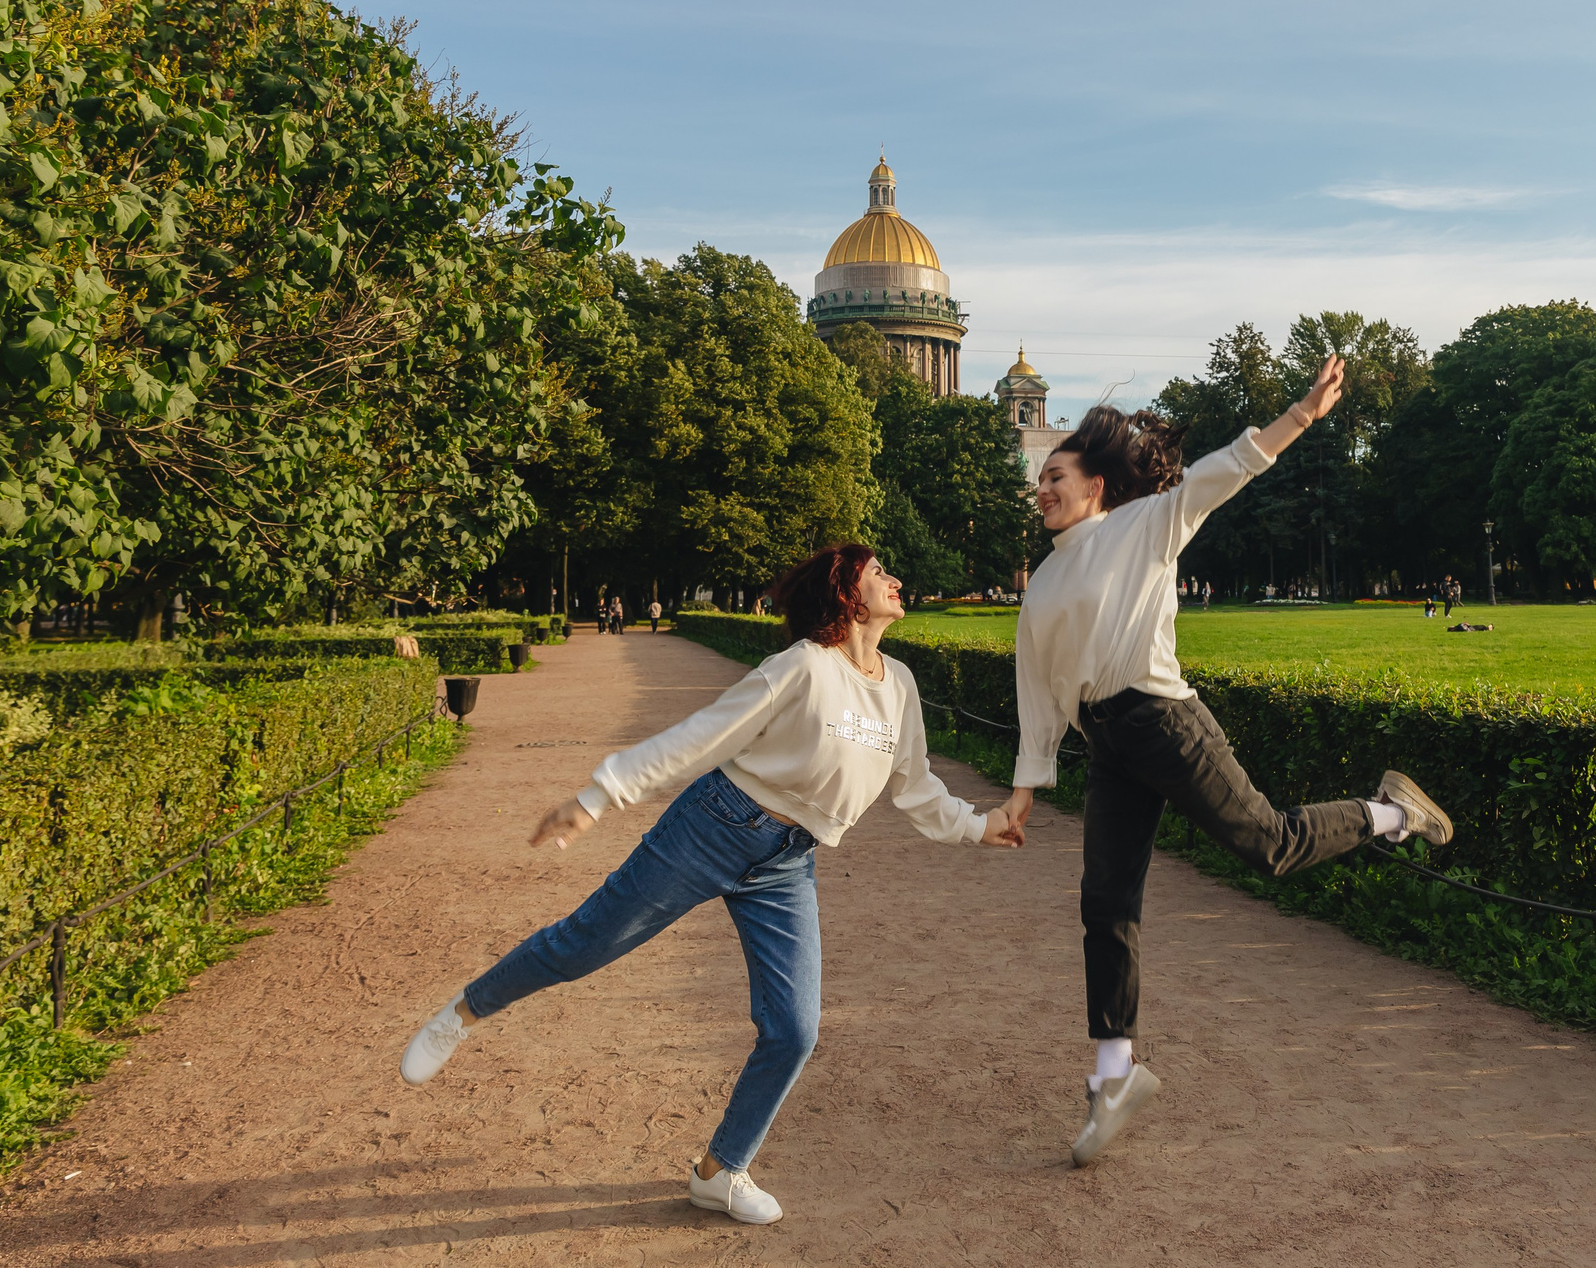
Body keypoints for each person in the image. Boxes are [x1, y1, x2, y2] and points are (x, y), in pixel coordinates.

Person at [398, 545, 1022, 1226]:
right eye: (878, 573)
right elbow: (702, 735)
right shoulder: (802, 665)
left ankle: (720, 1171)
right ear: (846, 592)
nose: (896, 580)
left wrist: (977, 826)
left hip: (787, 860)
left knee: (793, 1028)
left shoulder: (898, 682)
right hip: (715, 823)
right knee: (583, 943)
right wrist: (598, 795)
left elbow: (915, 783)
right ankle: (462, 1012)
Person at [996, 355, 1454, 1170]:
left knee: (1270, 844)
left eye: (1056, 476)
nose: (1044, 488)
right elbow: (1037, 689)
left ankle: (1393, 810)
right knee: (1105, 902)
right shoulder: (1040, 586)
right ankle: (1112, 1076)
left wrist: (1300, 417)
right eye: (1041, 481)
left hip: (1165, 721)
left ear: (1096, 484)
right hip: (1109, 743)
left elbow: (1224, 471)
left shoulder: (1143, 527)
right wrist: (1028, 786)